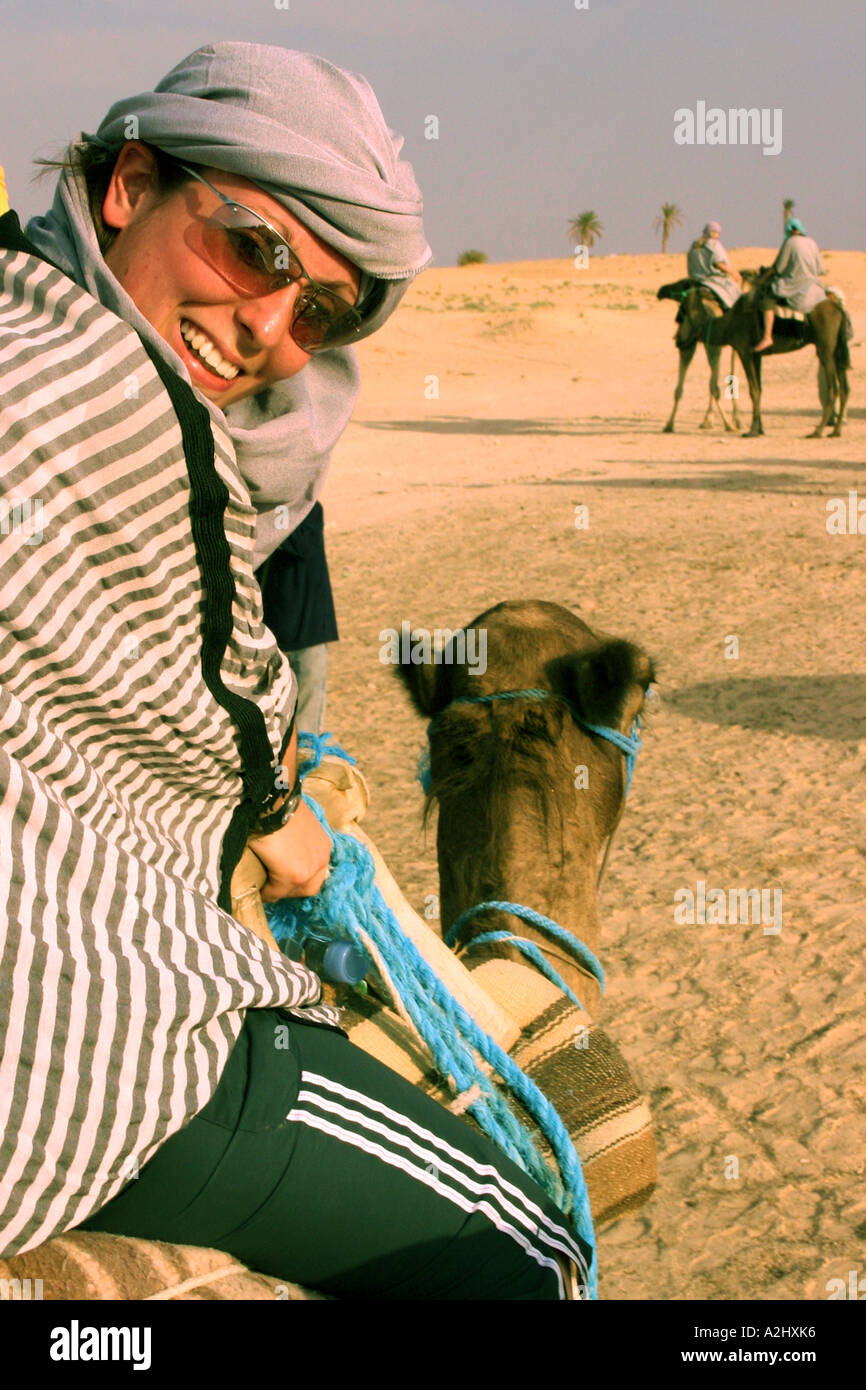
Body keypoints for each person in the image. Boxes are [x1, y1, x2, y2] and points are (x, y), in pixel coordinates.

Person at [0, 41, 588, 1298]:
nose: (270, 329)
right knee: (522, 1252)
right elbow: (221, 705)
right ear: (129, 185)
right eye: (254, 248)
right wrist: (280, 810)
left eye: (316, 309)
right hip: (72, 1020)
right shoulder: (107, 397)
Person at [257, 502, 336, 736]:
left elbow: (297, 544)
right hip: (271, 638)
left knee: (306, 731)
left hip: (307, 636)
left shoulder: (309, 510)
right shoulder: (264, 515)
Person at [754, 217, 826, 351]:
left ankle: (767, 336)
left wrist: (762, 279)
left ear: (789, 230)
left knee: (767, 300)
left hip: (794, 284)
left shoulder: (790, 243)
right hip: (814, 285)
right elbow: (820, 269)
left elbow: (778, 268)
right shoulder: (812, 242)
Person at [685, 220, 742, 309]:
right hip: (713, 281)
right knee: (736, 298)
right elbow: (719, 263)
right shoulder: (714, 244)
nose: (717, 235)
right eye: (716, 233)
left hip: (695, 281)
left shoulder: (694, 246)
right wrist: (733, 273)